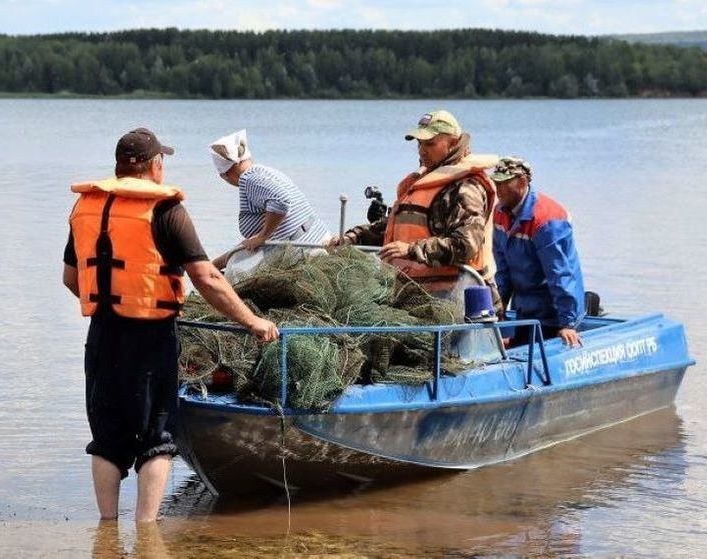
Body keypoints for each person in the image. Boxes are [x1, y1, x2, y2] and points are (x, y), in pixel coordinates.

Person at [62, 127, 279, 522]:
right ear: (155, 165)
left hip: (102, 335)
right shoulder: (165, 210)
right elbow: (208, 278)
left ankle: (106, 529)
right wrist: (252, 321)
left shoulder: (86, 208)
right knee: (156, 439)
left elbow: (71, 279)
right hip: (150, 336)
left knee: (107, 438)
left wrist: (110, 304)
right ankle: (146, 531)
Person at [333, 110, 500, 305]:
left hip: (459, 302)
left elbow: (465, 246)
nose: (421, 151)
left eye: (430, 143)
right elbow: (393, 230)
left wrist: (412, 250)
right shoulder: (426, 181)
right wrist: (351, 238)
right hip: (417, 298)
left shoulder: (466, 188)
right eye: (419, 143)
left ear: (453, 143)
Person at [490, 156, 585, 347]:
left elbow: (560, 275)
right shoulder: (500, 213)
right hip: (526, 311)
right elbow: (503, 270)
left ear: (522, 182)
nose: (498, 189)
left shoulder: (546, 220)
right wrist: (498, 310)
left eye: (504, 183)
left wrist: (568, 323)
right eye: (496, 183)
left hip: (554, 313)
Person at [209, 129, 331, 269]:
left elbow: (280, 201)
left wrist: (263, 236)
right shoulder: (264, 172)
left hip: (302, 250)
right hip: (315, 240)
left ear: (226, 174)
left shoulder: (248, 179)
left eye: (223, 176)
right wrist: (214, 265)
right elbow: (250, 242)